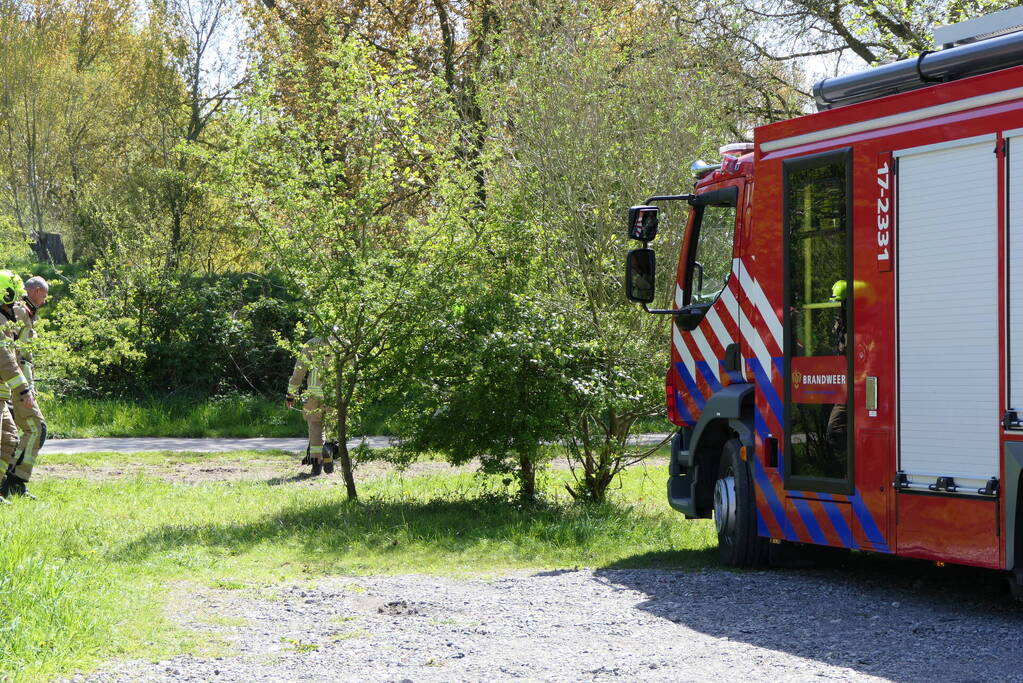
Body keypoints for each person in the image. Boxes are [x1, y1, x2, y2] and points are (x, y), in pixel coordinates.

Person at [0, 272, 48, 499]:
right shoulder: (17, 312)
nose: (45, 300)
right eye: (44, 295)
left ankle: (10, 485)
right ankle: (13, 483)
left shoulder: (23, 312)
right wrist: (22, 388)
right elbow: (10, 355)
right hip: (15, 386)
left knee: (10, 438)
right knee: (36, 429)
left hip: (14, 386)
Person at [286, 337, 333, 476]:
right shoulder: (344, 343)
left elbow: (299, 371)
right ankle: (329, 449)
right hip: (335, 393)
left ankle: (316, 467)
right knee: (335, 425)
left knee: (315, 426)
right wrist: (359, 391)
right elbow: (353, 369)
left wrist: (291, 395)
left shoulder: (311, 343)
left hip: (313, 393)